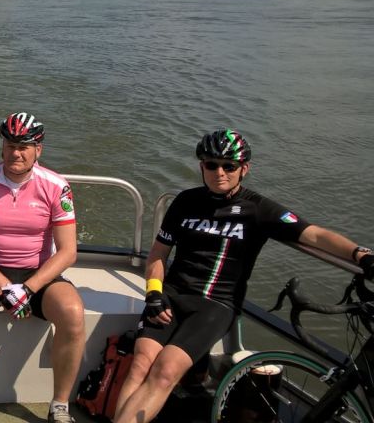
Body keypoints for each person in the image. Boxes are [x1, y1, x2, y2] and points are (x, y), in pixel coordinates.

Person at [113, 129, 374, 423]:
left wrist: (360, 254)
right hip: (170, 296)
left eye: (229, 166)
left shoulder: (258, 209)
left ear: (244, 169)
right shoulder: (185, 201)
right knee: (140, 364)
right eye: (211, 165)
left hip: (215, 303)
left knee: (165, 372)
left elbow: (314, 235)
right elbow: (158, 255)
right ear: (201, 166)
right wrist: (153, 292)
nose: (219, 173)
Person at [0, 113, 84, 423]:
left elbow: (68, 252)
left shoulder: (57, 186)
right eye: (10, 145)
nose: (16, 153)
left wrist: (27, 288)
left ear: (39, 149)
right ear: (2, 146)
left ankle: (59, 406)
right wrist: (5, 286)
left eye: (24, 147)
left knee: (73, 313)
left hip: (37, 274)